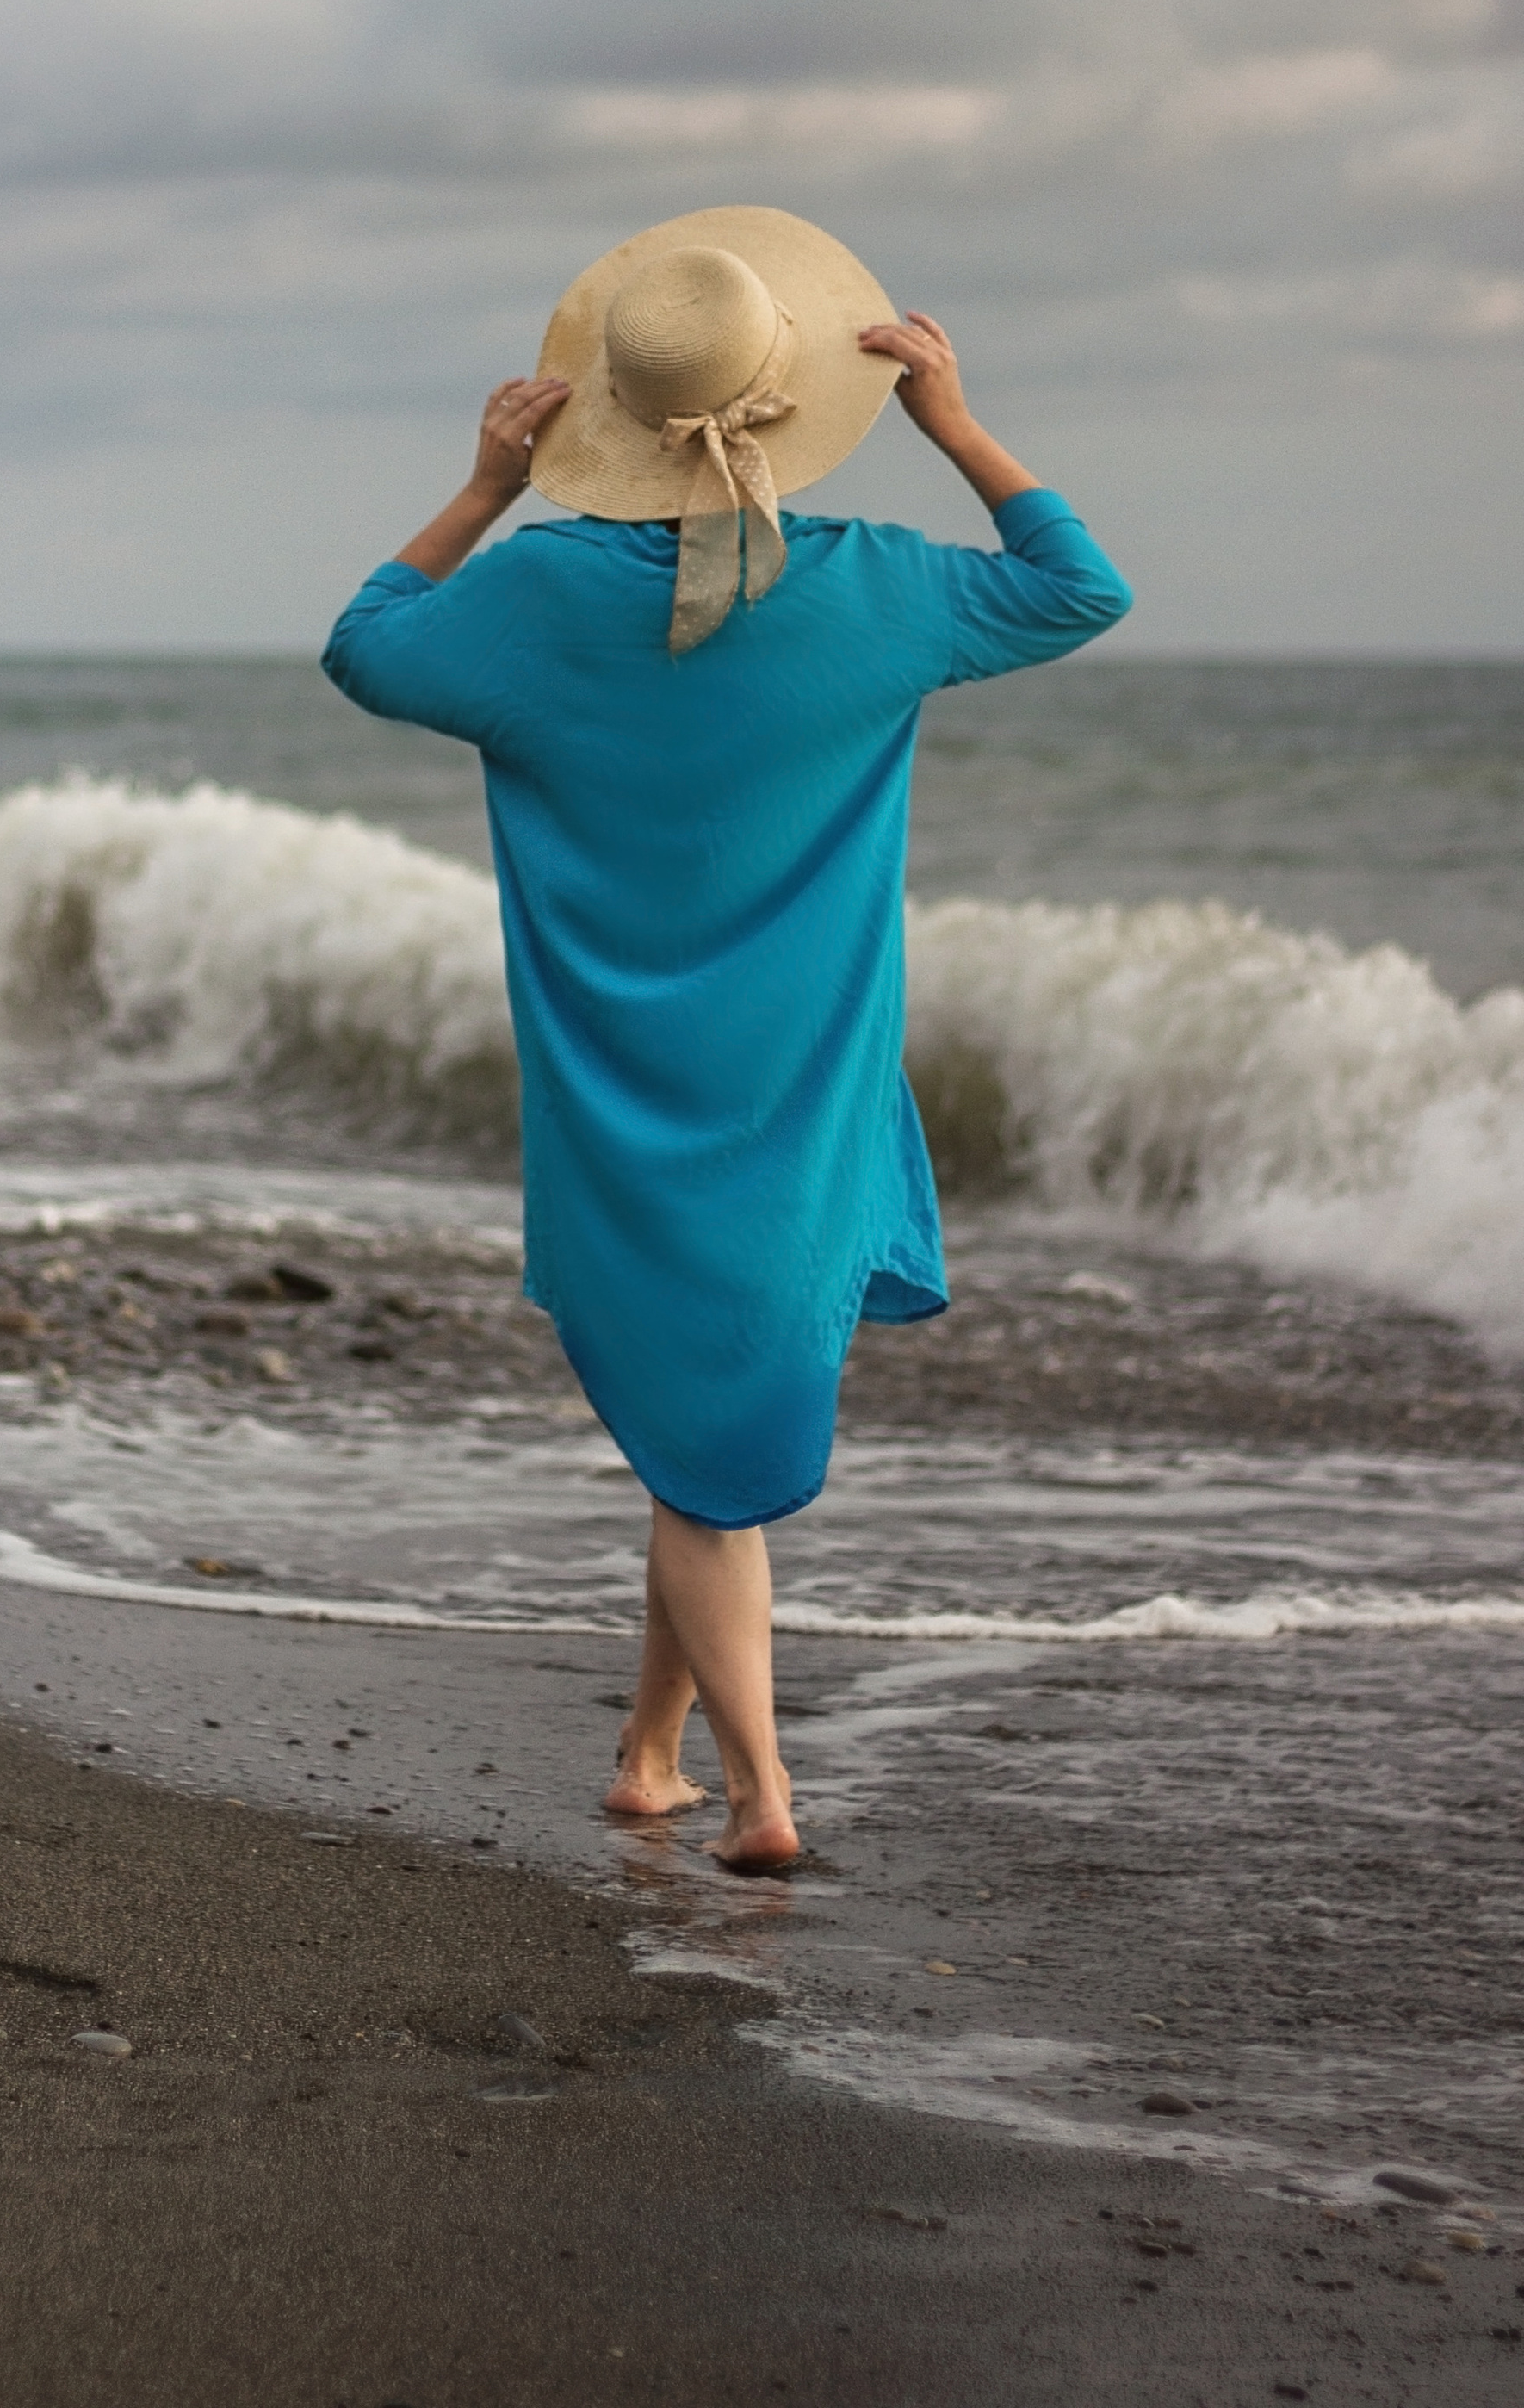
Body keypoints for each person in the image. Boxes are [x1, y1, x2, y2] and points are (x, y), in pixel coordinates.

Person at [322, 208, 1131, 1872]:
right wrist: (957, 425)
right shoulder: (874, 591)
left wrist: (481, 487)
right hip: (799, 1089)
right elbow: (1080, 589)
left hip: (622, 1100)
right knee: (710, 1449)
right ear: (789, 401)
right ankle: (764, 1801)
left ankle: (651, 1758)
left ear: (604, 414)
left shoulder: (534, 595)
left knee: (699, 1439)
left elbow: (365, 643)